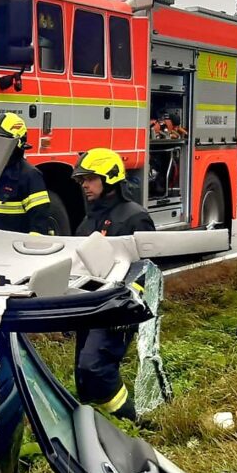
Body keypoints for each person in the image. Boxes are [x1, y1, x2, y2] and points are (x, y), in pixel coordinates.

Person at [70, 148, 154, 422]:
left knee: (95, 368)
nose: (84, 186)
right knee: (83, 376)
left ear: (110, 178)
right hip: (89, 306)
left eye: (90, 179)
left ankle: (134, 423)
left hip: (117, 309)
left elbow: (146, 270)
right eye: (82, 180)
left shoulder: (134, 217)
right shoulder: (89, 219)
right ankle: (95, 426)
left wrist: (127, 309)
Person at [0, 113, 57, 236]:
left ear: (19, 143)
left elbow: (39, 222)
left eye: (3, 141)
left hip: (13, 249)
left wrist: (29, 249)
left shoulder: (30, 176)